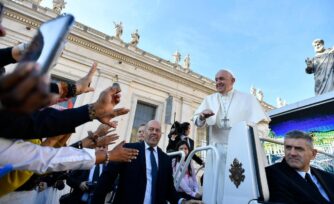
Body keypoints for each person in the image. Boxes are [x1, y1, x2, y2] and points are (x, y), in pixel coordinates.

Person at [193, 69, 270, 203]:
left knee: (240, 186)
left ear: (232, 81)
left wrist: (250, 137)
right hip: (217, 152)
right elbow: (197, 122)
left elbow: (262, 123)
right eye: (216, 79)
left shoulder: (248, 99)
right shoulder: (209, 100)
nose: (218, 82)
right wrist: (201, 116)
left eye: (222, 79)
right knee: (218, 189)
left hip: (241, 151)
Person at [92, 120, 202, 204]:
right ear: (144, 133)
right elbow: (105, 181)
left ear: (161, 135)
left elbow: (169, 189)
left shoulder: (165, 159)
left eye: (157, 130)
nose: (154, 132)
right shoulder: (128, 149)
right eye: (151, 129)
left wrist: (183, 202)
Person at [266, 130, 334, 203]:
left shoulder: (328, 177)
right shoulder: (272, 174)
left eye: (299, 149)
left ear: (313, 154)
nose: (292, 153)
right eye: (288, 148)